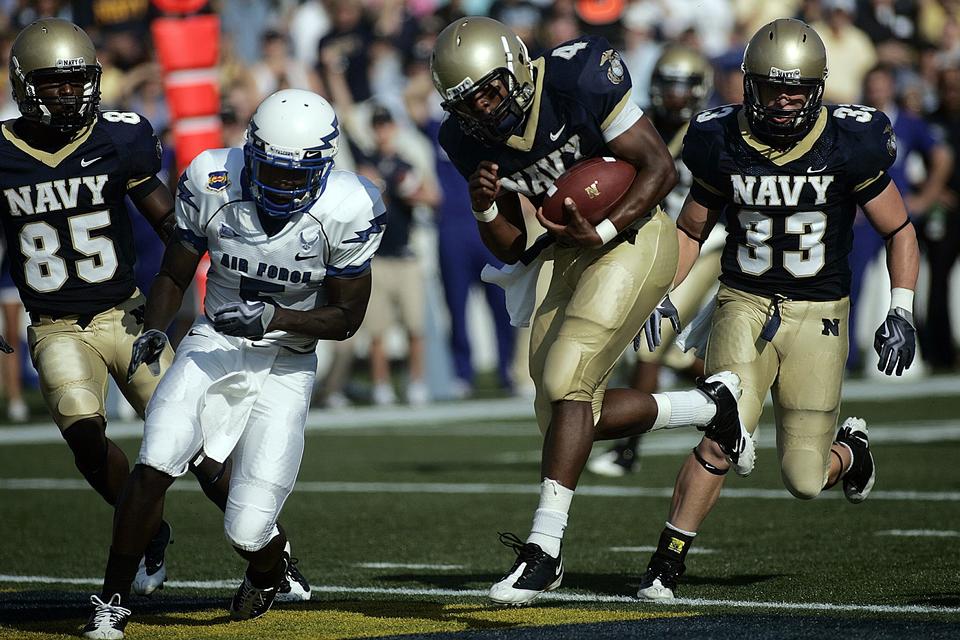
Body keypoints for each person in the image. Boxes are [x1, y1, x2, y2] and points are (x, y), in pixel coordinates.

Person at [430, 16, 755, 606]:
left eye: (490, 89)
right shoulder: (464, 138)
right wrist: (483, 209)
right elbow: (513, 243)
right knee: (556, 417)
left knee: (567, 378)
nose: (482, 106)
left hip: (632, 234)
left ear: (516, 66)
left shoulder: (576, 76)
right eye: (467, 100)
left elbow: (657, 168)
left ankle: (544, 550)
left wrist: (601, 226)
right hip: (564, 249)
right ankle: (709, 407)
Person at [0, 19, 311, 608]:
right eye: (55, 84)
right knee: (86, 438)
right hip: (56, 324)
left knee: (197, 445)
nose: (71, 95)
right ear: (24, 85)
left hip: (127, 314)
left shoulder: (119, 136)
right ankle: (148, 533)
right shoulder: (3, 149)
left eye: (78, 82)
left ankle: (277, 555)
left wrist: (230, 259)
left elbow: (172, 224)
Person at [82, 88, 384, 638]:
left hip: (286, 364)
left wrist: (274, 320)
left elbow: (345, 320)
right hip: (213, 341)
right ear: (252, 152)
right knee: (158, 454)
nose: (286, 184)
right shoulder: (211, 178)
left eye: (300, 175)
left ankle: (270, 572)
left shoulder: (350, 207)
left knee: (247, 530)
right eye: (274, 169)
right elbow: (175, 273)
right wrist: (155, 326)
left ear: (324, 166)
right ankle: (112, 600)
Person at [635, 18, 920, 601]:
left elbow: (900, 229)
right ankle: (665, 565)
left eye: (796, 88)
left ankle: (852, 450)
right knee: (722, 434)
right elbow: (692, 228)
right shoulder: (720, 139)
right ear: (748, 84)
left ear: (817, 88)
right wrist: (664, 292)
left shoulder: (849, 140)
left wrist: (901, 309)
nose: (784, 99)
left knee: (805, 480)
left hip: (820, 314)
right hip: (745, 300)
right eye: (771, 87)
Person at [589, 45, 725, 477]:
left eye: (682, 86)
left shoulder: (710, 130)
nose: (672, 95)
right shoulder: (638, 123)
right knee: (674, 358)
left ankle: (627, 450)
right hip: (653, 240)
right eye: (666, 84)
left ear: (700, 89)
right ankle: (736, 398)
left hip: (704, 242)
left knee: (649, 341)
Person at [357, 105, 439, 406]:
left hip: (405, 256)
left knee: (414, 326)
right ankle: (382, 385)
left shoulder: (405, 162)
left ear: (392, 127)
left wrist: (410, 192)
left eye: (385, 124)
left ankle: (417, 382)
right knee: (378, 330)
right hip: (376, 256)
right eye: (377, 125)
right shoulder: (365, 162)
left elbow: (432, 197)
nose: (382, 131)